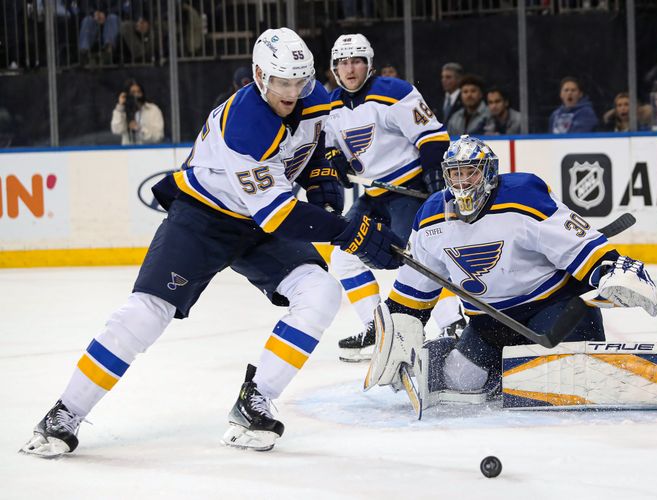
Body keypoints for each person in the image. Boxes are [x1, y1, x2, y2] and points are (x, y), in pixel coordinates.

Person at [20, 27, 403, 458]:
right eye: (281, 82)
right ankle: (65, 411)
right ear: (259, 76)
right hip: (203, 218)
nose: (291, 91)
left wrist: (322, 172)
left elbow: (316, 143)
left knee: (320, 291)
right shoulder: (245, 125)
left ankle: (254, 400)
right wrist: (350, 233)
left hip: (256, 220)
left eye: (299, 81)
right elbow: (278, 214)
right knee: (147, 312)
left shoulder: (314, 96)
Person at [371, 136, 657, 403]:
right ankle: (459, 357)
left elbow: (580, 246)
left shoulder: (523, 197)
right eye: (456, 175)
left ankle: (524, 370)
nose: (462, 183)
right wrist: (399, 337)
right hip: (488, 324)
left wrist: (611, 270)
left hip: (553, 310)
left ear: (488, 173)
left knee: (571, 376)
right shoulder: (430, 218)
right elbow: (412, 294)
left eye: (470, 174)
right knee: (460, 381)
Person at [323, 33, 465, 362]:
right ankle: (380, 329)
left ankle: (452, 323)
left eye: (357, 60)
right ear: (334, 68)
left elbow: (433, 137)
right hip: (374, 195)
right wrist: (335, 161)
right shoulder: (331, 106)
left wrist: (434, 179)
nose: (350, 68)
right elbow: (328, 148)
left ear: (369, 64)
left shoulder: (395, 92)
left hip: (408, 191)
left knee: (417, 257)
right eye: (343, 62)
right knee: (343, 256)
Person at [110, 79, 165, 145]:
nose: (136, 95)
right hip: (128, 152)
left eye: (138, 92)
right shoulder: (122, 111)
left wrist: (140, 129)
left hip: (149, 152)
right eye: (133, 92)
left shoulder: (153, 110)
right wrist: (120, 106)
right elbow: (116, 130)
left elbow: (158, 137)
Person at [78, 1, 120, 66]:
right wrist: (94, 13)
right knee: (87, 20)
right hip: (94, 17)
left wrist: (105, 14)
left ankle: (108, 51)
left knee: (112, 18)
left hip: (111, 15)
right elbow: (84, 5)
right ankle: (84, 52)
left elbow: (119, 6)